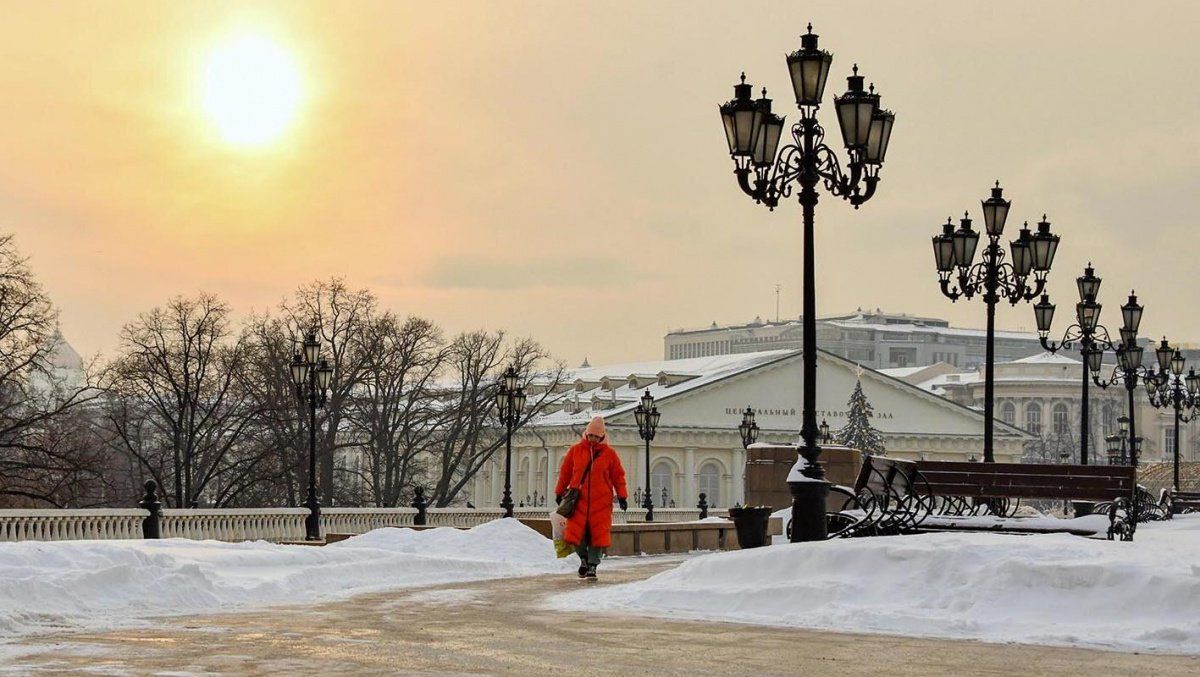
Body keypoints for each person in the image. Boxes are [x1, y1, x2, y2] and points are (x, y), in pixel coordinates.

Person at [555, 416, 628, 580]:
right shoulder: (575, 451)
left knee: (598, 533)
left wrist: (622, 496)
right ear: (586, 434)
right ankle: (583, 559)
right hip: (578, 500)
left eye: (596, 436)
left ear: (602, 436)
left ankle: (593, 565)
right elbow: (565, 473)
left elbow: (618, 477)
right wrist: (559, 492)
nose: (593, 439)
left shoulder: (610, 454)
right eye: (591, 435)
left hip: (601, 501)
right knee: (577, 533)